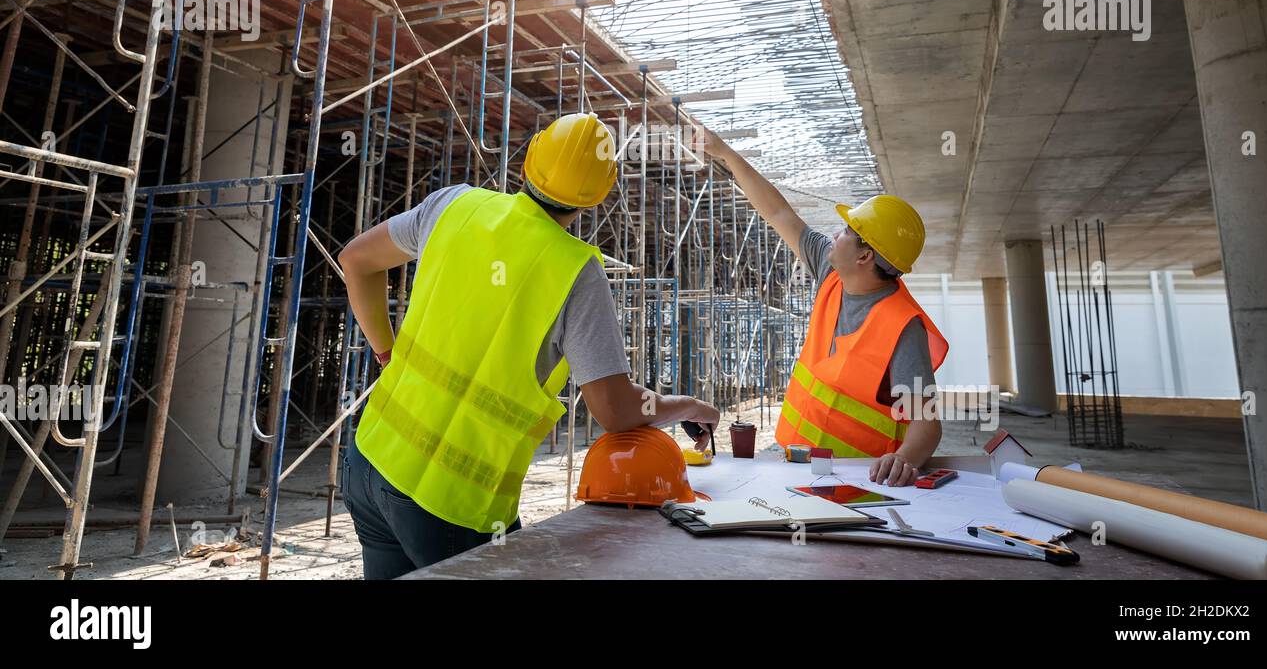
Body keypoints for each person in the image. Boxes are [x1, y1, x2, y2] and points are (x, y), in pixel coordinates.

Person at [339, 112, 720, 578]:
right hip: (452, 504)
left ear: (527, 162)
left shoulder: (453, 206)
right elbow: (616, 409)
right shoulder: (575, 272)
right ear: (598, 197)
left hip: (369, 458)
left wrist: (386, 352)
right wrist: (690, 406)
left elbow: (356, 260)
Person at [696, 126, 947, 487]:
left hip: (856, 482)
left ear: (865, 255)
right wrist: (725, 154)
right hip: (791, 463)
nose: (834, 233)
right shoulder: (831, 272)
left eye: (847, 230)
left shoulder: (903, 327)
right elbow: (779, 212)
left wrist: (904, 459)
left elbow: (928, 423)